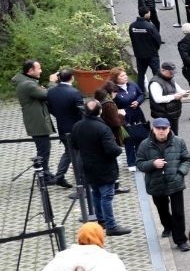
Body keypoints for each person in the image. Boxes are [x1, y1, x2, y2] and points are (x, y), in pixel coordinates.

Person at [70, 98, 130, 236]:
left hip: (87, 165)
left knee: (96, 193)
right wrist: (119, 150)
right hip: (104, 167)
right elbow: (112, 150)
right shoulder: (103, 128)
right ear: (100, 111)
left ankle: (101, 221)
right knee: (107, 196)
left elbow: (74, 145)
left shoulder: (77, 126)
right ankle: (111, 225)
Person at [135, 118, 190, 251]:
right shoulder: (145, 144)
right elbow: (139, 163)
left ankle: (180, 240)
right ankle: (168, 226)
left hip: (175, 182)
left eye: (164, 128)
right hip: (156, 184)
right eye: (158, 128)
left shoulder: (179, 142)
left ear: (169, 129)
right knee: (162, 209)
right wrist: (152, 164)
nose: (161, 131)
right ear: (153, 129)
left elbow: (187, 159)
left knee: (178, 213)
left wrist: (180, 173)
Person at [14, 59, 56, 183]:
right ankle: (44, 176)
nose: (41, 70)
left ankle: (45, 173)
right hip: (37, 122)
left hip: (37, 121)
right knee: (43, 150)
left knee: (44, 149)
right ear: (30, 70)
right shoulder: (28, 85)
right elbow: (47, 95)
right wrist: (52, 83)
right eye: (39, 68)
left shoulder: (29, 83)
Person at [46, 68, 83, 189]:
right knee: (77, 153)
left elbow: (50, 108)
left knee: (69, 152)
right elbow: (81, 112)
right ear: (72, 77)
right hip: (75, 127)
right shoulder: (74, 92)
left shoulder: (51, 92)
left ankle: (59, 176)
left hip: (62, 126)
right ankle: (81, 181)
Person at [112, 67, 148, 171]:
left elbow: (142, 94)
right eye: (122, 76)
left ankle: (140, 159)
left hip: (137, 114)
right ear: (116, 78)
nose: (125, 77)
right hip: (125, 117)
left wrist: (138, 101)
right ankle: (131, 162)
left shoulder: (132, 85)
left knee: (140, 136)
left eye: (125, 75)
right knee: (128, 139)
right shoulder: (114, 90)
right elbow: (111, 104)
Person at [148, 61, 190, 135]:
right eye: (170, 72)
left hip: (173, 114)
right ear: (163, 70)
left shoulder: (170, 78)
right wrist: (174, 96)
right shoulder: (155, 83)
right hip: (162, 115)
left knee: (174, 135)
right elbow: (157, 99)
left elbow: (178, 89)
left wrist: (184, 93)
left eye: (173, 72)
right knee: (165, 136)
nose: (172, 74)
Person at [129, 7, 164, 86]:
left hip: (139, 55)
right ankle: (157, 90)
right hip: (152, 54)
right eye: (149, 12)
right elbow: (158, 40)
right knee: (157, 74)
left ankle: (141, 92)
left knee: (141, 75)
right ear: (146, 14)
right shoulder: (150, 26)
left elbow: (132, 39)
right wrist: (155, 49)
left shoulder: (132, 26)